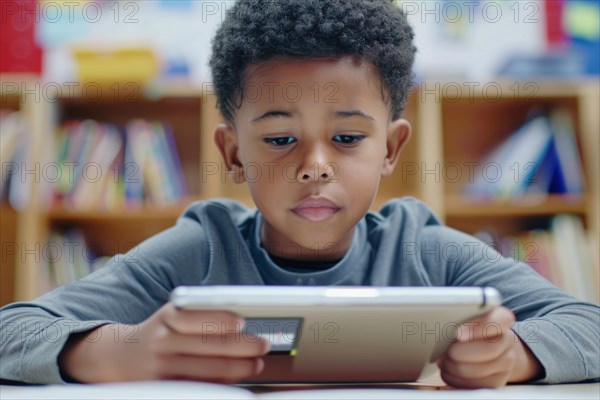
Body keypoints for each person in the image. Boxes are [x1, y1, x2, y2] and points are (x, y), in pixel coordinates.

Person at [1, 0, 598, 388]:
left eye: (346, 137)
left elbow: (586, 325)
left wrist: (517, 354)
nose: (314, 166)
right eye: (281, 138)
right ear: (233, 153)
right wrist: (124, 349)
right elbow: (14, 331)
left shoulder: (428, 250)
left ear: (390, 149)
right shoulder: (199, 248)